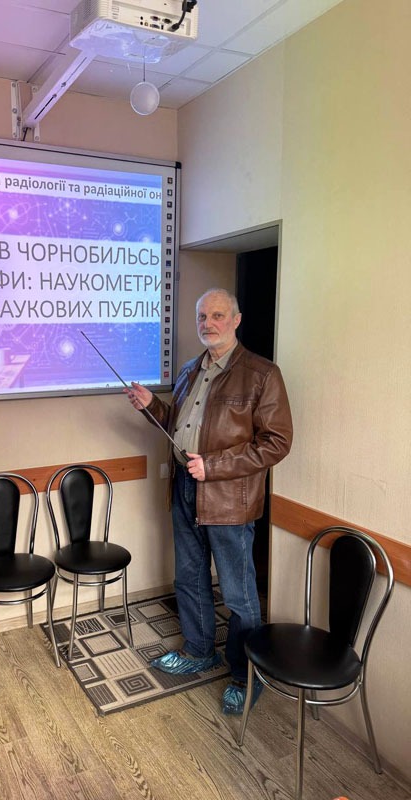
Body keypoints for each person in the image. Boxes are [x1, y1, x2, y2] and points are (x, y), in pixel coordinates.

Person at [125, 288, 293, 715]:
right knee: (189, 577)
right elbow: (178, 426)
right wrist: (151, 406)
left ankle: (244, 674)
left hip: (228, 499)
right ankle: (199, 651)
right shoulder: (189, 369)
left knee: (238, 593)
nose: (208, 323)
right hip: (185, 487)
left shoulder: (262, 374)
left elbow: (277, 442)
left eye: (218, 315)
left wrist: (214, 466)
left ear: (236, 320)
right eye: (203, 316)